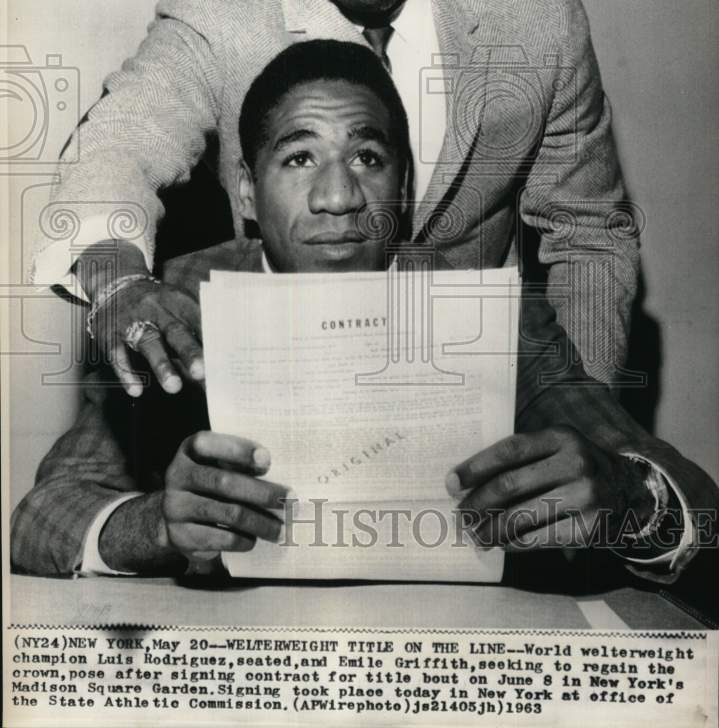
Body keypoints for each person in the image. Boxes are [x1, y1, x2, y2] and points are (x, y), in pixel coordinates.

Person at [13, 42, 716, 585]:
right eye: (298, 158)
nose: (338, 197)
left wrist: (633, 498)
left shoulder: (480, 309)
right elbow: (39, 516)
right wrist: (158, 526)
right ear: (247, 192)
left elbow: (698, 506)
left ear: (402, 187)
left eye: (368, 158)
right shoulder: (179, 300)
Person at [33, 0, 638, 398]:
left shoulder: (535, 11)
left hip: (475, 386)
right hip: (280, 381)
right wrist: (118, 281)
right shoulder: (218, 11)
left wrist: (580, 412)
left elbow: (590, 234)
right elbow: (121, 141)